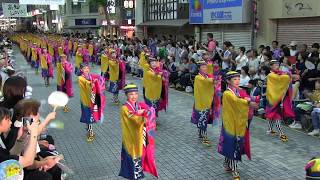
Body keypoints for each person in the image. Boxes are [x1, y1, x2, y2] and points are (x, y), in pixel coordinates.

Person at [217, 71, 258, 180]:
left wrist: (252, 99)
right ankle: (234, 170)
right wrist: (248, 102)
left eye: (238, 79)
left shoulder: (239, 91)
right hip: (230, 123)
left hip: (238, 123)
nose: (237, 81)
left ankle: (227, 164)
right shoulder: (227, 93)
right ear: (228, 81)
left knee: (231, 144)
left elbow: (244, 99)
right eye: (234, 79)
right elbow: (236, 101)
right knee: (233, 144)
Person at [119, 84, 158, 180]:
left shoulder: (139, 105)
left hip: (141, 140)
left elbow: (149, 110)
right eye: (131, 94)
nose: (134, 96)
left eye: (136, 93)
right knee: (133, 166)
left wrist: (146, 112)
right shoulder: (124, 108)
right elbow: (135, 120)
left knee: (138, 165)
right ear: (126, 95)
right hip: (131, 142)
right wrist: (143, 114)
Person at [265, 60, 294, 142]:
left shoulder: (278, 73)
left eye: (278, 65)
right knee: (272, 115)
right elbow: (285, 78)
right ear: (271, 66)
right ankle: (276, 132)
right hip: (272, 98)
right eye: (275, 65)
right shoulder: (271, 75)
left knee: (275, 116)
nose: (277, 66)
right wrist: (288, 74)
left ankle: (274, 131)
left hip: (277, 98)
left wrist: (288, 73)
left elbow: (284, 77)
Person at [78, 63, 105, 142]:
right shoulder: (80, 78)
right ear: (81, 70)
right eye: (84, 68)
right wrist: (91, 83)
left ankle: (89, 130)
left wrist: (99, 81)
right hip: (85, 101)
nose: (86, 70)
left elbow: (99, 78)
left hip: (91, 100)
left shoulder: (91, 76)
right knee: (88, 117)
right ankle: (91, 133)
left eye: (87, 68)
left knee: (89, 116)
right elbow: (86, 83)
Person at [191, 60, 215, 146]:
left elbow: (210, 78)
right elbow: (207, 81)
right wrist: (215, 79)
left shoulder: (206, 76)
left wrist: (210, 67)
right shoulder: (198, 77)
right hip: (201, 101)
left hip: (207, 100)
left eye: (206, 67)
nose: (205, 68)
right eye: (203, 67)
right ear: (199, 68)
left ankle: (201, 133)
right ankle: (204, 136)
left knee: (204, 118)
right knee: (202, 118)